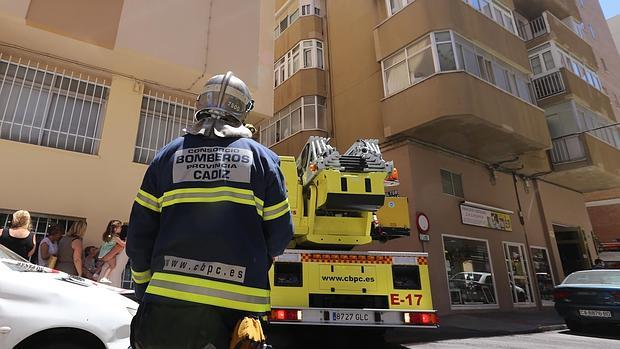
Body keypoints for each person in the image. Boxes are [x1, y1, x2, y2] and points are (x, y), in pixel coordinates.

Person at [127, 72, 294, 349]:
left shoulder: (167, 156)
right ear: (244, 111)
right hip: (236, 313)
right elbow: (280, 234)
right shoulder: (263, 160)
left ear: (200, 105)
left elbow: (139, 234)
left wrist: (144, 287)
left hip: (166, 308)